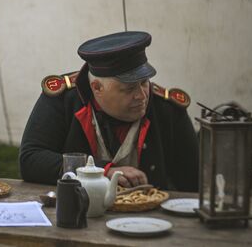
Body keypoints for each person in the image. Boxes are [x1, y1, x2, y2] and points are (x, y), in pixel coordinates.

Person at [19, 31, 198, 191]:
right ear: (97, 88)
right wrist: (103, 171)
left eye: (144, 82)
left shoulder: (167, 109)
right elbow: (31, 159)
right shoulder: (62, 100)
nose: (142, 95)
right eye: (129, 89)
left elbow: (194, 179)